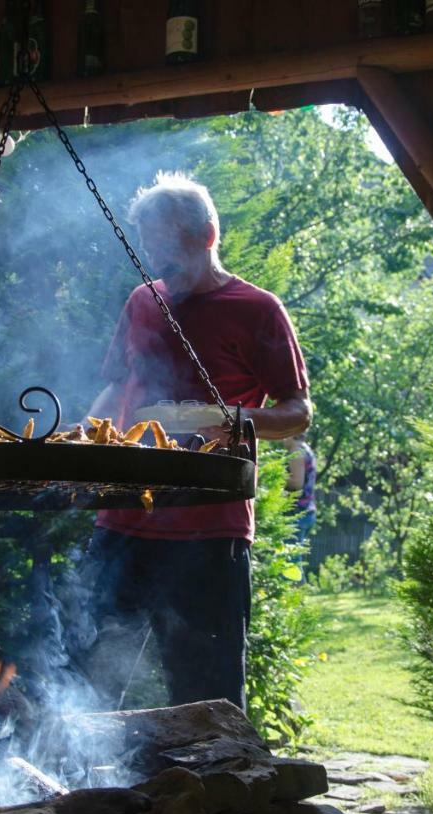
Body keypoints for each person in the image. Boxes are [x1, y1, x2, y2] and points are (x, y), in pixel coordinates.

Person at [79, 172, 312, 711]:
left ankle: (215, 788)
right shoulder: (142, 301)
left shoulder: (257, 309)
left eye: (167, 244)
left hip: (209, 529)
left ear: (207, 236)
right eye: (147, 245)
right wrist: (81, 439)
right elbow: (115, 386)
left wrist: (233, 421)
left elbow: (297, 412)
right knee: (89, 680)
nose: (155, 259)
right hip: (123, 518)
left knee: (205, 696)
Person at [283, 433, 318, 580]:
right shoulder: (306, 449)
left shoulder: (296, 452)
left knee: (291, 564)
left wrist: (274, 478)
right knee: (294, 562)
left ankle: (296, 600)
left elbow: (297, 483)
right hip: (307, 511)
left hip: (297, 513)